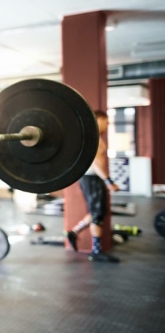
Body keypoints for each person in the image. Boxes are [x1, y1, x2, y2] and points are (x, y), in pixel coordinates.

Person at [65, 110, 120, 263]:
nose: (107, 125)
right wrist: (109, 182)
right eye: (106, 122)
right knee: (97, 214)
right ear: (98, 120)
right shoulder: (93, 138)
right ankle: (96, 251)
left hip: (93, 179)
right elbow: (96, 164)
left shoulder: (96, 138)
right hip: (92, 178)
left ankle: (74, 232)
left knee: (97, 211)